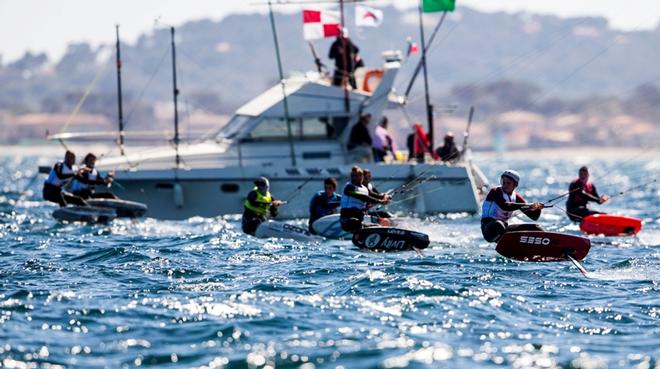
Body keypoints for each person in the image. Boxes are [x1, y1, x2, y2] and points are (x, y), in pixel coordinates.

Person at [481, 169, 545, 242]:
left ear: (515, 185)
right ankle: (508, 244)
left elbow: (534, 217)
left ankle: (547, 246)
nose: (505, 185)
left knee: (537, 228)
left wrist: (538, 208)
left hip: (504, 229)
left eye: (508, 183)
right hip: (489, 229)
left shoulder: (516, 197)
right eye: (503, 182)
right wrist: (528, 205)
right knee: (498, 224)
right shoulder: (495, 191)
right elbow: (505, 206)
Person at [339, 166, 391, 232]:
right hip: (347, 221)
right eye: (352, 175)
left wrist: (385, 196)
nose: (353, 178)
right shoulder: (349, 188)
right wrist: (379, 201)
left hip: (359, 221)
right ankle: (358, 235)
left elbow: (374, 195)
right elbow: (362, 196)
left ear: (361, 176)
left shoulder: (365, 189)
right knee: (355, 222)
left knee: (378, 227)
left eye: (356, 176)